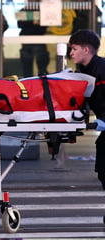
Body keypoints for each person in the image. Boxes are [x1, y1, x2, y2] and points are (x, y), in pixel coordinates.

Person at [69, 29, 105, 192]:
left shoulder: (102, 68)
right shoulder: (83, 70)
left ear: (86, 49)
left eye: (74, 49)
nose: (71, 53)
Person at [17, 4, 49, 77]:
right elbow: (20, 24)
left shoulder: (42, 10)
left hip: (38, 40)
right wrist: (34, 22)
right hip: (27, 41)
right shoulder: (24, 10)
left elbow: (44, 26)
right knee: (28, 67)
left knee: (41, 67)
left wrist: (30, 23)